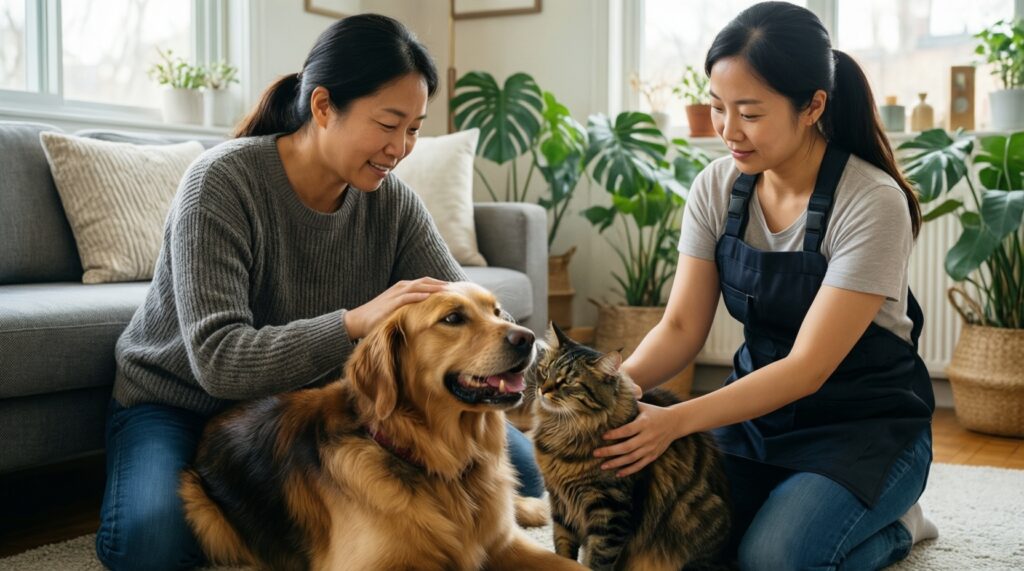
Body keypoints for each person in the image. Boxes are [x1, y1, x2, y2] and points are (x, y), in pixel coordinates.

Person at [94, 14, 543, 571]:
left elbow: (462, 306)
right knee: (150, 544)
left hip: (299, 407)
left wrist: (542, 362)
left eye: (414, 128)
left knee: (525, 469)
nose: (400, 147)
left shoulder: (392, 203)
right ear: (324, 106)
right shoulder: (221, 184)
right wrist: (353, 323)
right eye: (389, 124)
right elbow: (219, 362)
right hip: (179, 402)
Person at [593, 2, 938, 569]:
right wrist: (613, 394)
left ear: (813, 106)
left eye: (749, 113)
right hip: (756, 417)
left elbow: (807, 368)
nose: (728, 131)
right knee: (670, 541)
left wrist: (675, 421)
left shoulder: (871, 201)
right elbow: (680, 327)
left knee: (775, 558)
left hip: (865, 429)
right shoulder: (716, 187)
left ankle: (900, 526)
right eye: (717, 107)